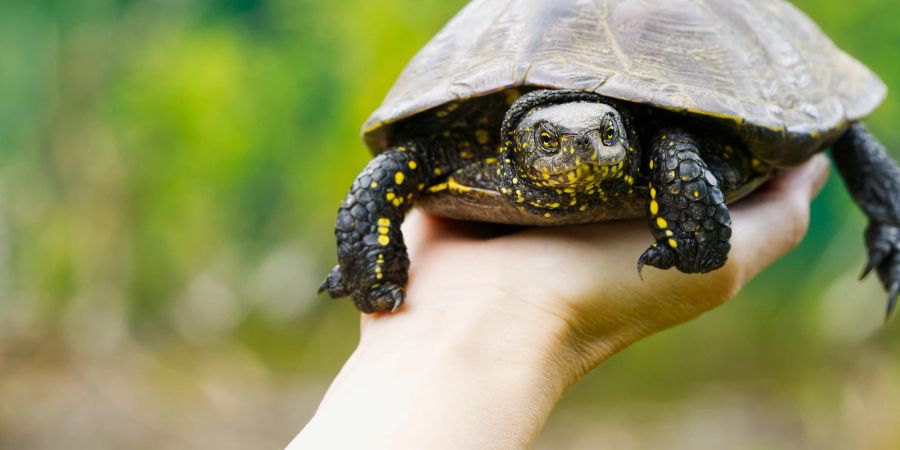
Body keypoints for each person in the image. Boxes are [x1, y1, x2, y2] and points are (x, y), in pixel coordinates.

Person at [288, 155, 830, 449]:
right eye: (550, 140)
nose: (582, 150)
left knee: (837, 134)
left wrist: (697, 234)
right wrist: (372, 264)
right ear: (517, 140)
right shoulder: (458, 146)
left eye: (604, 136)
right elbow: (385, 171)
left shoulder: (665, 150)